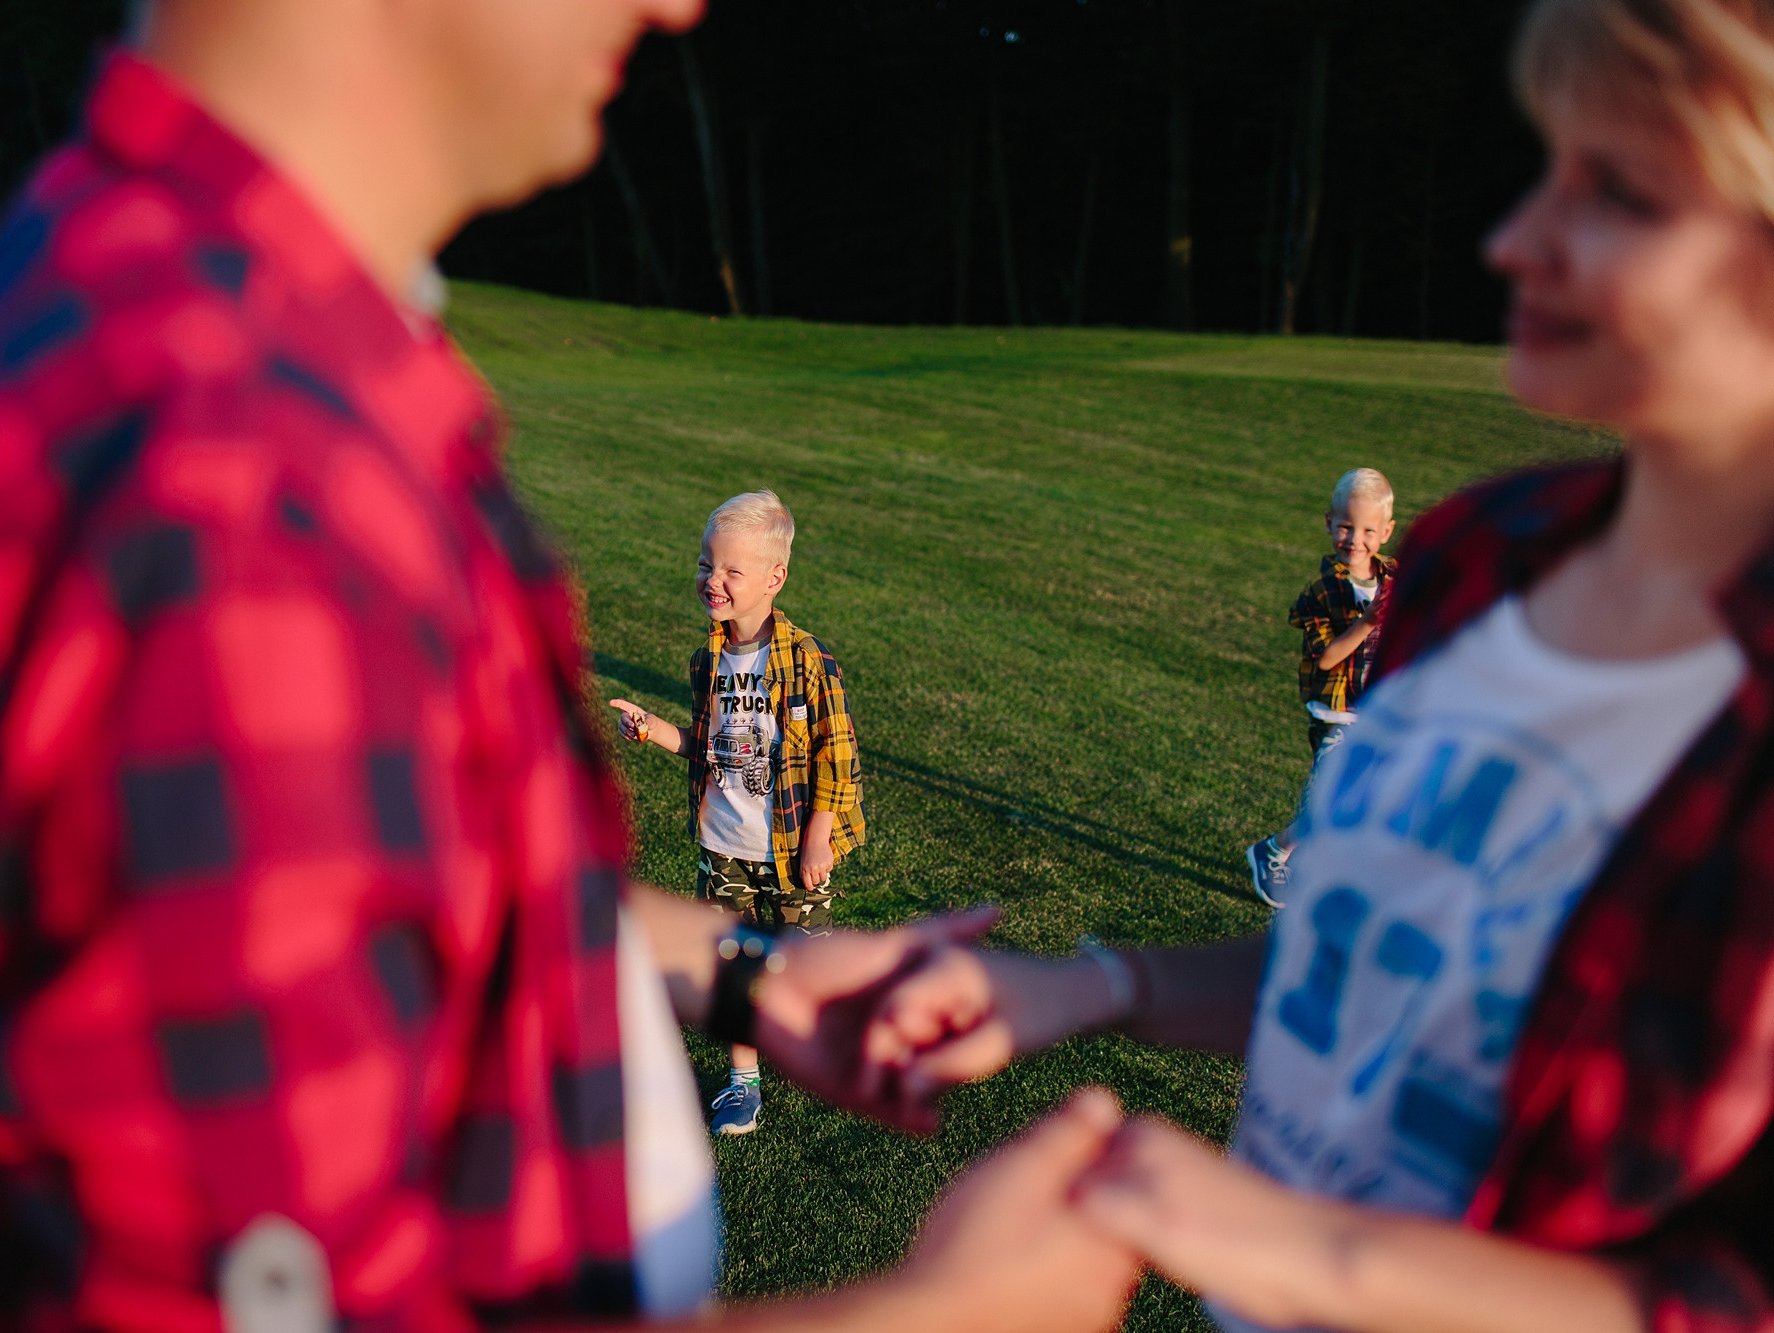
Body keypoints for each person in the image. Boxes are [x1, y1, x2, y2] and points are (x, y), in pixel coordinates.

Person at [0, 0, 1143, 1329]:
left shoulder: (234, 318)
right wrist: (961, 1310)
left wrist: (738, 966)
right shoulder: (232, 479)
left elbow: (405, 886)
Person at [865, 0, 1774, 1328]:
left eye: (1621, 194)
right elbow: (1365, 967)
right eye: (1550, 168)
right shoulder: (1481, 552)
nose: (1515, 240)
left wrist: (1305, 1251)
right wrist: (1090, 987)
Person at [608, 490, 864, 1136]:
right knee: (733, 965)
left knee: (802, 963)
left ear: (775, 578)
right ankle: (743, 1082)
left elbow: (837, 752)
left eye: (729, 570)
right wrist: (655, 731)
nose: (711, 580)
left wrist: (818, 837)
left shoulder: (807, 661)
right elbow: (708, 745)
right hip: (724, 845)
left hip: (789, 847)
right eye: (704, 564)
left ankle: (833, 1038)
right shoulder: (708, 661)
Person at [1245, 469, 1398, 908]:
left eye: (1369, 530)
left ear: (1386, 532)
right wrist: (1368, 621)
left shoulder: (1393, 578)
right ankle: (1273, 852)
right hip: (1337, 713)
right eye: (1347, 526)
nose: (1356, 539)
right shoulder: (1321, 591)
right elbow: (1327, 657)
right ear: (1329, 523)